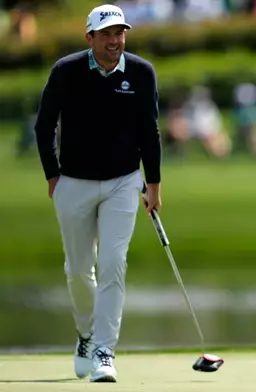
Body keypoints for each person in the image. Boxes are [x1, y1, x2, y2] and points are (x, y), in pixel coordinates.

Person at [34, 4, 162, 382]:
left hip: (124, 181)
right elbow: (44, 126)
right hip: (72, 181)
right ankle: (86, 336)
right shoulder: (66, 71)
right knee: (77, 270)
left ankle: (105, 350)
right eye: (106, 35)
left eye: (119, 33)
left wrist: (153, 184)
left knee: (112, 264)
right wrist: (52, 175)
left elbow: (149, 131)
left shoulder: (141, 72)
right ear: (90, 38)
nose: (114, 41)